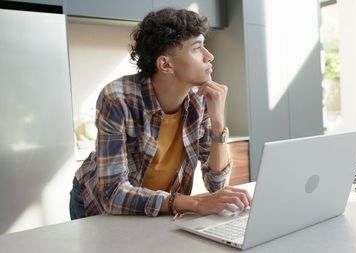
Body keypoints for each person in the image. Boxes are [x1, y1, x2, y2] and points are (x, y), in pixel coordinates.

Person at [69, 8, 251, 219]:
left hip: (161, 205)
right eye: (197, 48)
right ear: (165, 64)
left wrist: (218, 125)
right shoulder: (117, 98)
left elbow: (216, 184)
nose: (209, 56)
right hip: (97, 206)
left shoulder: (199, 100)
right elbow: (112, 194)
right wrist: (194, 203)